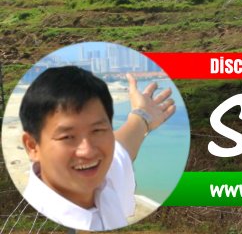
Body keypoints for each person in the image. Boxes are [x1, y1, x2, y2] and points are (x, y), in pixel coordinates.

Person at [18, 66, 176, 231]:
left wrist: (143, 115)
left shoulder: (104, 180)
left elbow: (122, 149)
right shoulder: (36, 220)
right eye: (67, 137)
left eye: (97, 130)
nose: (88, 151)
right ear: (32, 146)